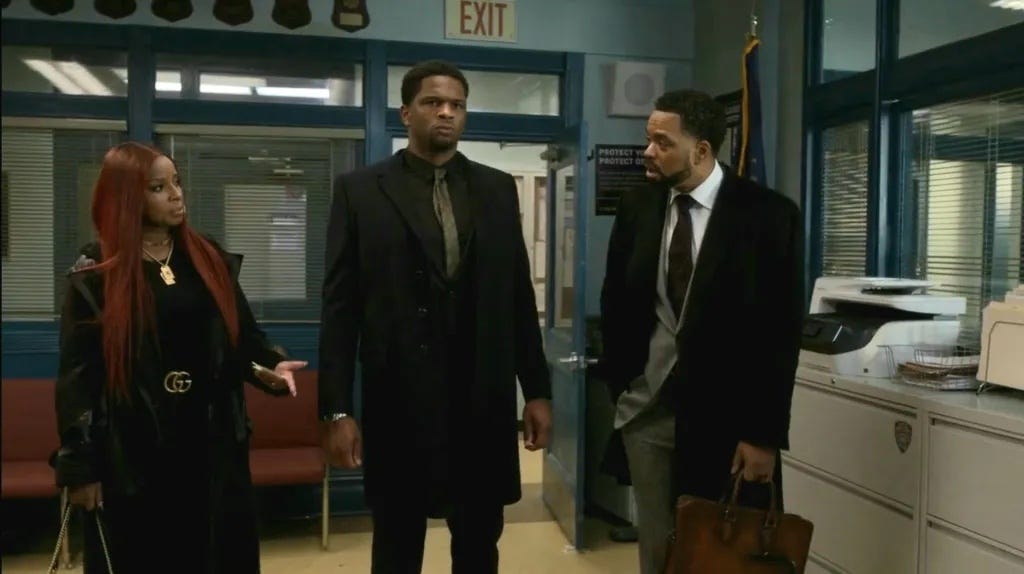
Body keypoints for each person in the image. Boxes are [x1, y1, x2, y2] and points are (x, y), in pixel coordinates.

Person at [318, 59, 554, 574]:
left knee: (478, 546)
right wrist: (336, 410)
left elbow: (517, 297)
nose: (446, 112)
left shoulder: (496, 189)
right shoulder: (361, 191)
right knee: (397, 546)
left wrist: (536, 390)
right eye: (433, 102)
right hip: (400, 402)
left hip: (481, 403)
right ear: (406, 113)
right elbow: (339, 308)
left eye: (457, 105)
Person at [52, 141, 308, 573]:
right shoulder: (96, 274)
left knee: (214, 555)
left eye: (177, 182)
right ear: (127, 197)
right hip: (134, 450)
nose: (176, 195)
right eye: (158, 187)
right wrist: (81, 465)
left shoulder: (207, 258)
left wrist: (271, 364)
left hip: (210, 443)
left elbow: (243, 338)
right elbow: (78, 378)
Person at [598, 89, 804, 574]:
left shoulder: (768, 215)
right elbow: (616, 303)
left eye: (662, 142)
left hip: (727, 422)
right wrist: (622, 385)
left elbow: (779, 334)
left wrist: (763, 435)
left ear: (702, 150)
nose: (648, 152)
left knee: (718, 551)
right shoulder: (638, 207)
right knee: (657, 548)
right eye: (648, 139)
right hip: (647, 411)